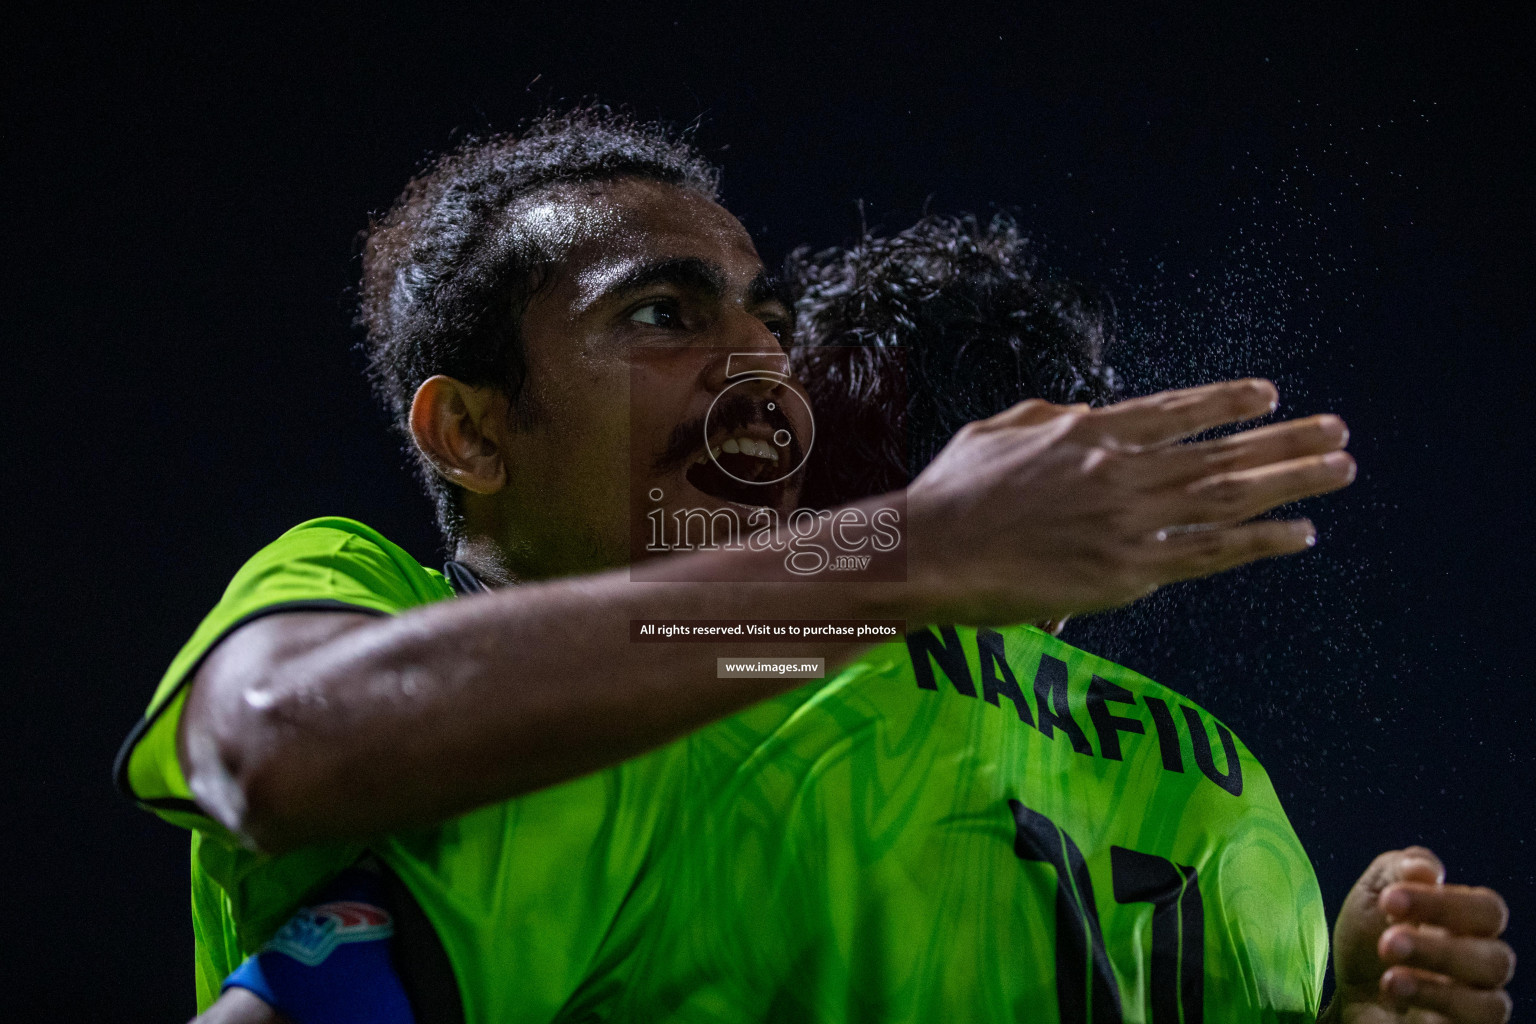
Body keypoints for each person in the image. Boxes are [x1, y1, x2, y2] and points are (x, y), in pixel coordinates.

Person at [110, 107, 1465, 1019]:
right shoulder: (373, 595)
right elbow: (269, 744)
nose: (760, 375)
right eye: (660, 316)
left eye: (768, 327)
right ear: (466, 429)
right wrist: (918, 547)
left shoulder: (753, 698)